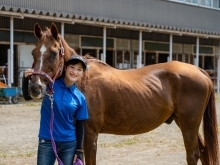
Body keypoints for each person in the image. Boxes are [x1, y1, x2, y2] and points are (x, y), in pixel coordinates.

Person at [22, 55, 89, 165]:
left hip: (69, 144)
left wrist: (79, 150)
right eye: (72, 67)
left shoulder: (80, 97)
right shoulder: (50, 85)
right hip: (46, 141)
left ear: (82, 73)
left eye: (79, 69)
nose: (74, 72)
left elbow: (80, 125)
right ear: (66, 68)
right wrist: (25, 79)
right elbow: (27, 97)